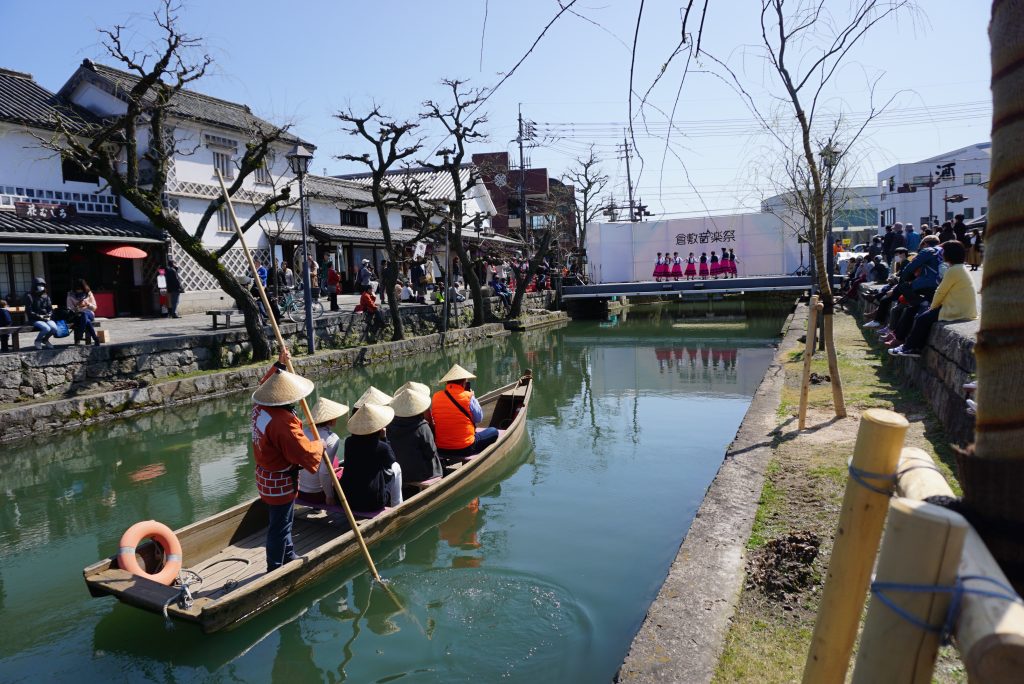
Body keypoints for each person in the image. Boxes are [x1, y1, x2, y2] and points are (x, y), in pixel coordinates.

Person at [251, 348, 324, 571]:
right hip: (280, 482)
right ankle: (274, 567)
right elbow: (305, 453)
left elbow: (266, 383)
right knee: (280, 525)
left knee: (284, 519)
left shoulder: (260, 407)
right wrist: (320, 443)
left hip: (265, 475)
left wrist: (280, 365)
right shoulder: (283, 423)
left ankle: (288, 552)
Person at [890, 241, 978, 357]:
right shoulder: (960, 268)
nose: (941, 254)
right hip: (964, 309)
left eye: (943, 252)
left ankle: (910, 347)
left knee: (922, 319)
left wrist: (932, 308)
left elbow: (940, 292)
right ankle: (911, 347)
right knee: (923, 317)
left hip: (956, 310)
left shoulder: (952, 270)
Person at [341, 403, 403, 511]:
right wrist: (384, 438)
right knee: (396, 467)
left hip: (348, 499)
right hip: (374, 501)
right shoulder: (381, 447)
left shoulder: (348, 442)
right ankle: (397, 504)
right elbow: (391, 461)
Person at [431, 364, 499, 459]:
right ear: (464, 383)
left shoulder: (436, 396)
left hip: (441, 448)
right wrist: (473, 397)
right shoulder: (468, 396)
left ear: (447, 382)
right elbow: (479, 418)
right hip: (465, 448)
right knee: (494, 431)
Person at [296, 398, 348, 505]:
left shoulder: (303, 432)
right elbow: (324, 473)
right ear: (331, 420)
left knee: (335, 461)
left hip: (300, 491)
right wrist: (330, 497)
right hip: (317, 495)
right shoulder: (332, 438)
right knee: (342, 472)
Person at [387, 388, 443, 483]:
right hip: (421, 473)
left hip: (400, 471)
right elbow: (431, 452)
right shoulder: (422, 427)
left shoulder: (390, 426)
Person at [25, 276, 57, 350]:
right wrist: (39, 316)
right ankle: (37, 340)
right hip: (34, 319)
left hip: (46, 318)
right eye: (39, 285)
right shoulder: (29, 296)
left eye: (42, 285)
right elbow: (29, 311)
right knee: (46, 328)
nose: (41, 287)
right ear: (34, 286)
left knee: (54, 328)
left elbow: (50, 308)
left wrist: (49, 314)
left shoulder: (46, 296)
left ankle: (45, 340)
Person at [67, 278, 100, 346]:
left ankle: (80, 334)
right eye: (77, 289)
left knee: (84, 314)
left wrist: (87, 304)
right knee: (86, 320)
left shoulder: (89, 293)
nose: (79, 290)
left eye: (81, 289)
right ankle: (95, 338)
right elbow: (69, 309)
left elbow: (94, 308)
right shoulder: (70, 295)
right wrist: (77, 306)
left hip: (89, 313)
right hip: (77, 315)